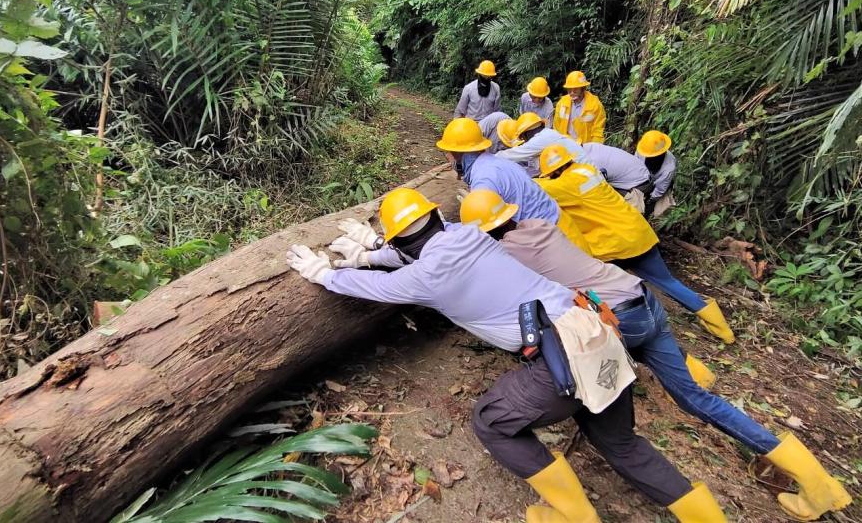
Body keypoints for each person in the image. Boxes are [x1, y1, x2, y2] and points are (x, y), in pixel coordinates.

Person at [286, 188, 727, 523]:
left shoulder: (424, 278)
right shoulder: (467, 234)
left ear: (402, 243)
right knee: (621, 443)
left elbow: (377, 286)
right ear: (440, 215)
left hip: (563, 352)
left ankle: (578, 517)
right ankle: (708, 516)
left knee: (491, 421)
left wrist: (327, 271)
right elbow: (415, 258)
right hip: (597, 329)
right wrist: (371, 251)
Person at [460, 189, 853, 523]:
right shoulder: (539, 227)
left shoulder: (505, 256)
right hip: (643, 299)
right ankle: (819, 484)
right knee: (697, 399)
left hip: (613, 321)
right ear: (510, 214)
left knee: (607, 426)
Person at [535, 143, 736, 345]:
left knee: (600, 290)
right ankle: (723, 330)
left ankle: (612, 330)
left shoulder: (562, 186)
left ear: (554, 172)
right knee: (668, 282)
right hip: (638, 234)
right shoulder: (588, 170)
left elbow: (533, 187)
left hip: (613, 247)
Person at [436, 117, 591, 254]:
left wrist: (447, 229)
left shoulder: (484, 179)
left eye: (447, 154)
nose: (448, 160)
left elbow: (484, 232)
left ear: (457, 154)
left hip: (555, 246)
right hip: (564, 232)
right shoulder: (496, 163)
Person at [496, 112, 584, 177]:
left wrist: (491, 158)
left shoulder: (540, 139)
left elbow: (514, 154)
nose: (524, 141)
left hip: (579, 174)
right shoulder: (548, 134)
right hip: (583, 171)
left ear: (526, 133)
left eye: (523, 138)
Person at [581, 142, 652, 212]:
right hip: (639, 172)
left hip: (640, 184)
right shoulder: (588, 147)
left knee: (611, 207)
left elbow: (596, 193)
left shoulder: (591, 164)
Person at [554, 70, 606, 144]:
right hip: (565, 145)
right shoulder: (562, 103)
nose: (572, 92)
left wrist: (594, 149)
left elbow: (598, 131)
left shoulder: (595, 105)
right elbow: (557, 127)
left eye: (575, 89)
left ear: (583, 88)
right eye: (569, 90)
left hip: (586, 146)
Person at [636, 130, 677, 218]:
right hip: (641, 179)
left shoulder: (669, 167)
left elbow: (660, 189)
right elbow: (635, 165)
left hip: (656, 184)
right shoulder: (643, 150)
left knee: (656, 212)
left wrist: (650, 200)